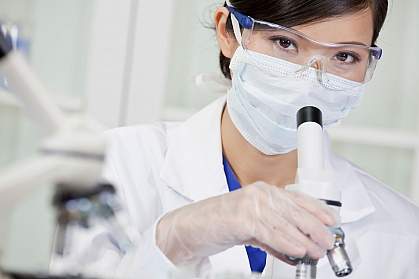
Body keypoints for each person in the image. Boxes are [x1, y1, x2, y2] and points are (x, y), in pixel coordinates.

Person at [51, 0, 419, 278]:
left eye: (344, 56)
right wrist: (176, 238)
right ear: (229, 32)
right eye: (284, 42)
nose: (310, 80)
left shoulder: (401, 232)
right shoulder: (116, 165)